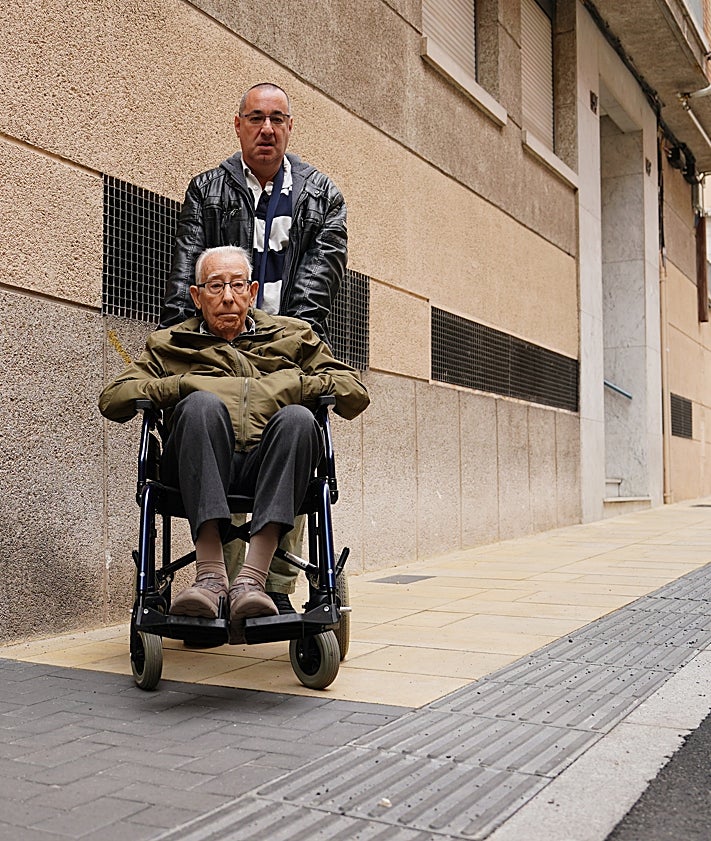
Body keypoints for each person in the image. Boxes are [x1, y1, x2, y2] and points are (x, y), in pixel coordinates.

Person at [99, 245, 368, 643]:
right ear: (196, 295)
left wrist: (296, 385)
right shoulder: (170, 344)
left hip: (268, 465)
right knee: (201, 406)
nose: (228, 296)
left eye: (237, 285)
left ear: (253, 290)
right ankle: (209, 576)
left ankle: (251, 581)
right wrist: (181, 385)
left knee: (297, 418)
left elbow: (354, 392)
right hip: (197, 463)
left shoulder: (293, 335)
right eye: (215, 286)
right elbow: (112, 399)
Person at [161, 82, 348, 610]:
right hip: (214, 346)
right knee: (204, 417)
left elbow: (316, 288)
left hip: (279, 350)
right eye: (256, 118)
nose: (266, 128)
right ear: (238, 125)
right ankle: (213, 582)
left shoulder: (321, 196)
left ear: (290, 127)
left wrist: (278, 348)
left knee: (292, 427)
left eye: (277, 119)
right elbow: (184, 281)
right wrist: (189, 348)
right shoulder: (208, 191)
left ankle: (273, 589)